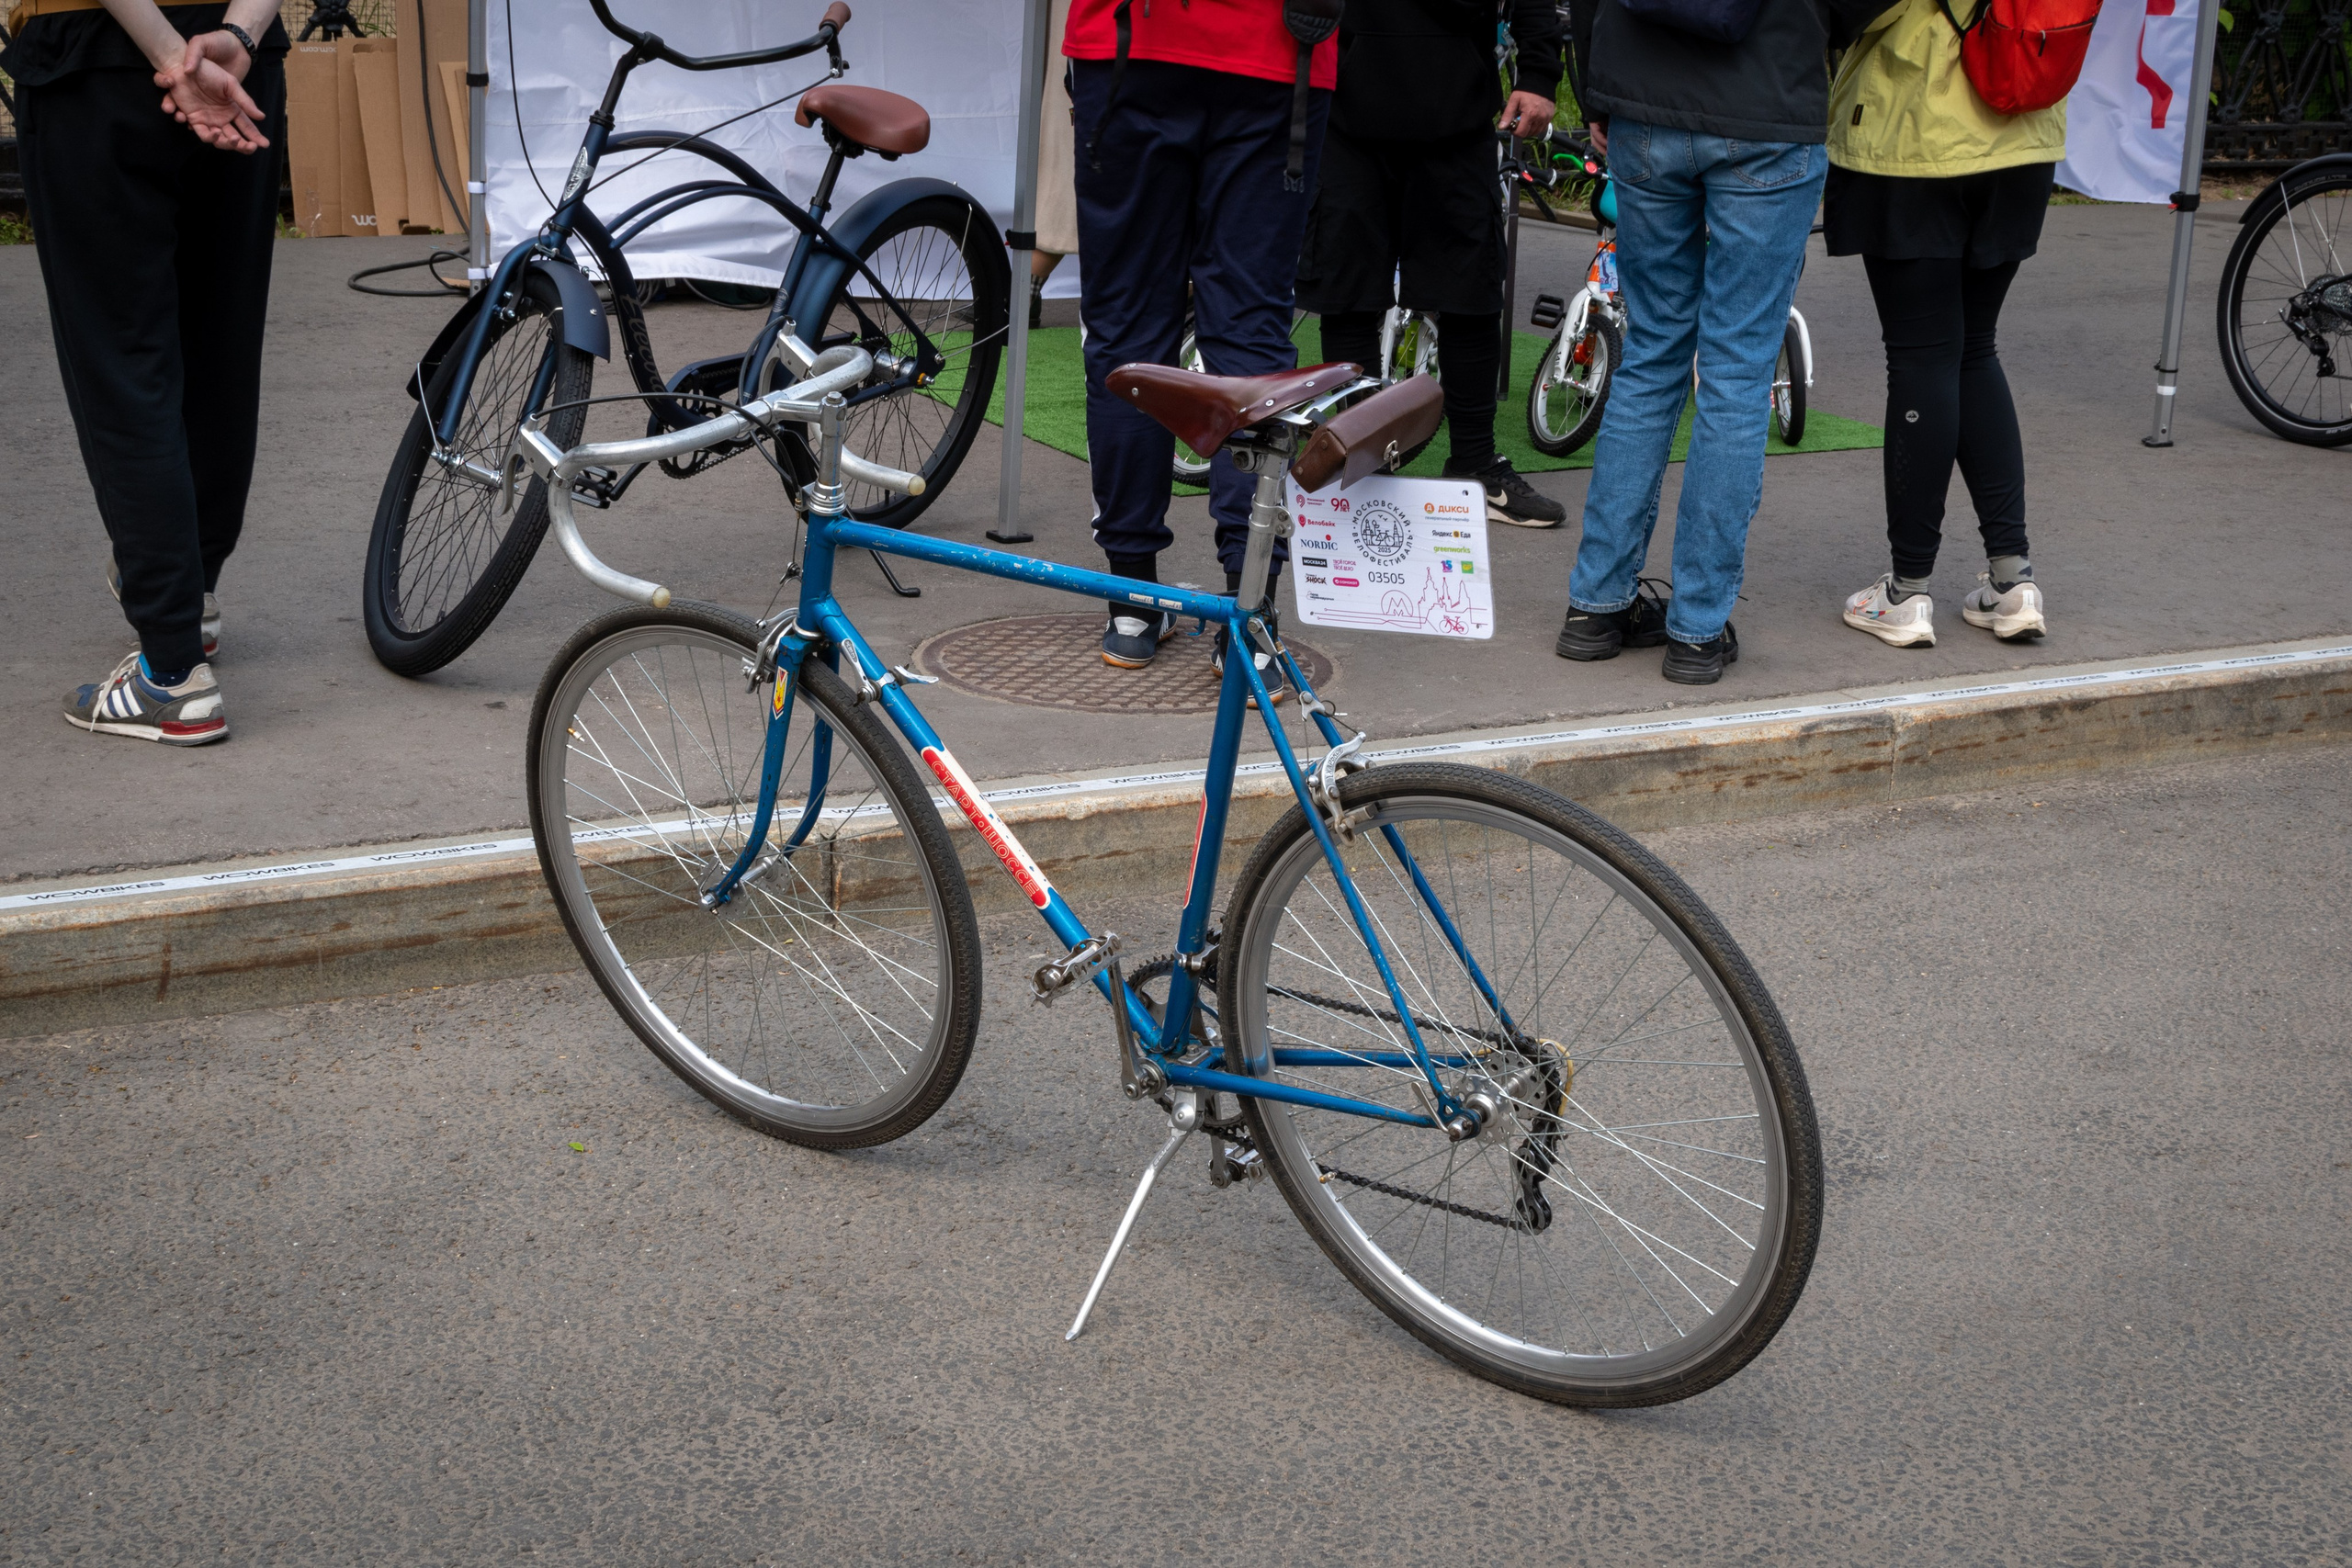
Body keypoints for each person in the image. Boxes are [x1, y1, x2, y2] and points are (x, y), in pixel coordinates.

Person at [1556, 0, 1878, 684]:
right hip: (1769, 97)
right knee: (1735, 374)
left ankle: (1594, 608)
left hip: (1645, 97)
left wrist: (1597, 92)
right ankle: (1697, 632)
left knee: (1650, 358)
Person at [6, 0, 287, 744]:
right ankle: (193, 599)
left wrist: (171, 58)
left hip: (99, 60)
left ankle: (171, 671)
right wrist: (240, 35)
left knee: (124, 365)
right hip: (239, 64)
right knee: (221, 349)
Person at [1063, 0, 1334, 688]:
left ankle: (1132, 601)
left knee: (1128, 331)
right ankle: (1249, 614)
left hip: (1134, 42)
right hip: (1277, 53)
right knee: (1250, 337)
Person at [1827, 0, 2059, 649]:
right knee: (1975, 347)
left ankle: (1907, 592)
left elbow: (1850, 12)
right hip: (2022, 127)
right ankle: (2013, 582)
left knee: (1922, 356)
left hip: (1914, 129)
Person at [1294, 0, 1568, 529]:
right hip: (1346, 116)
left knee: (1471, 294)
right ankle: (1361, 466)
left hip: (1457, 117)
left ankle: (1475, 465)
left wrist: (1538, 75)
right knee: (1348, 297)